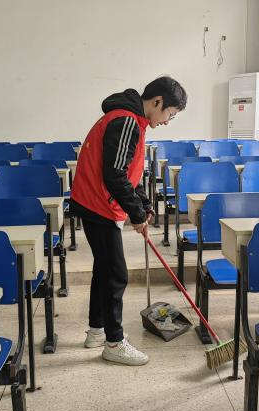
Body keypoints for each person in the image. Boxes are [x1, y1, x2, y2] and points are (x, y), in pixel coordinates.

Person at [70, 76, 187, 366]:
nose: (167, 122)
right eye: (170, 114)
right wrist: (135, 214)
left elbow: (129, 172)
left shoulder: (133, 120)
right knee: (116, 274)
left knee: (104, 269)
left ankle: (97, 331)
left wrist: (143, 205)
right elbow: (114, 175)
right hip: (97, 205)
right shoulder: (126, 121)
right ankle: (114, 343)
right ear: (158, 101)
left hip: (95, 202)